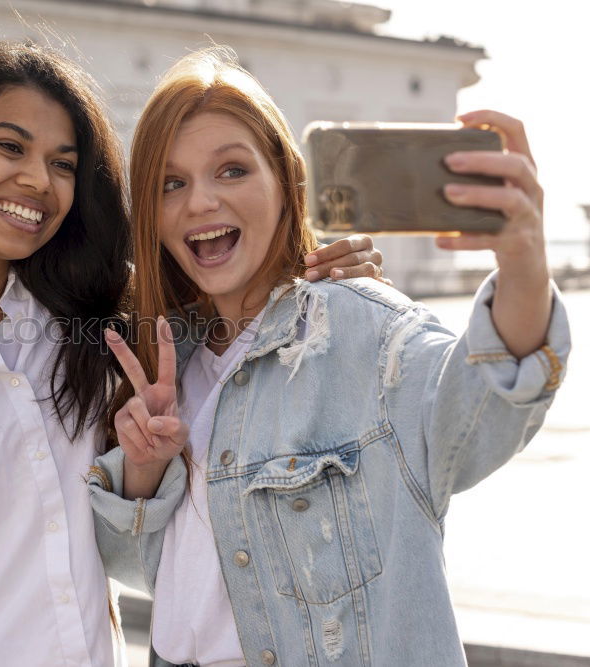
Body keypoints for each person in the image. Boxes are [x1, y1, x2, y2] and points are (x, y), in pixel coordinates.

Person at [0, 41, 384, 666]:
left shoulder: (100, 324)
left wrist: (326, 271)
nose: (37, 180)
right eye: (9, 146)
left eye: (63, 163)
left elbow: (231, 274)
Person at [89, 47, 570, 666]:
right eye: (170, 183)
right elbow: (133, 567)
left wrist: (524, 261)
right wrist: (144, 468)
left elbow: (483, 408)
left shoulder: (360, 328)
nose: (200, 201)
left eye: (232, 170)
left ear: (289, 188)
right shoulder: (161, 361)